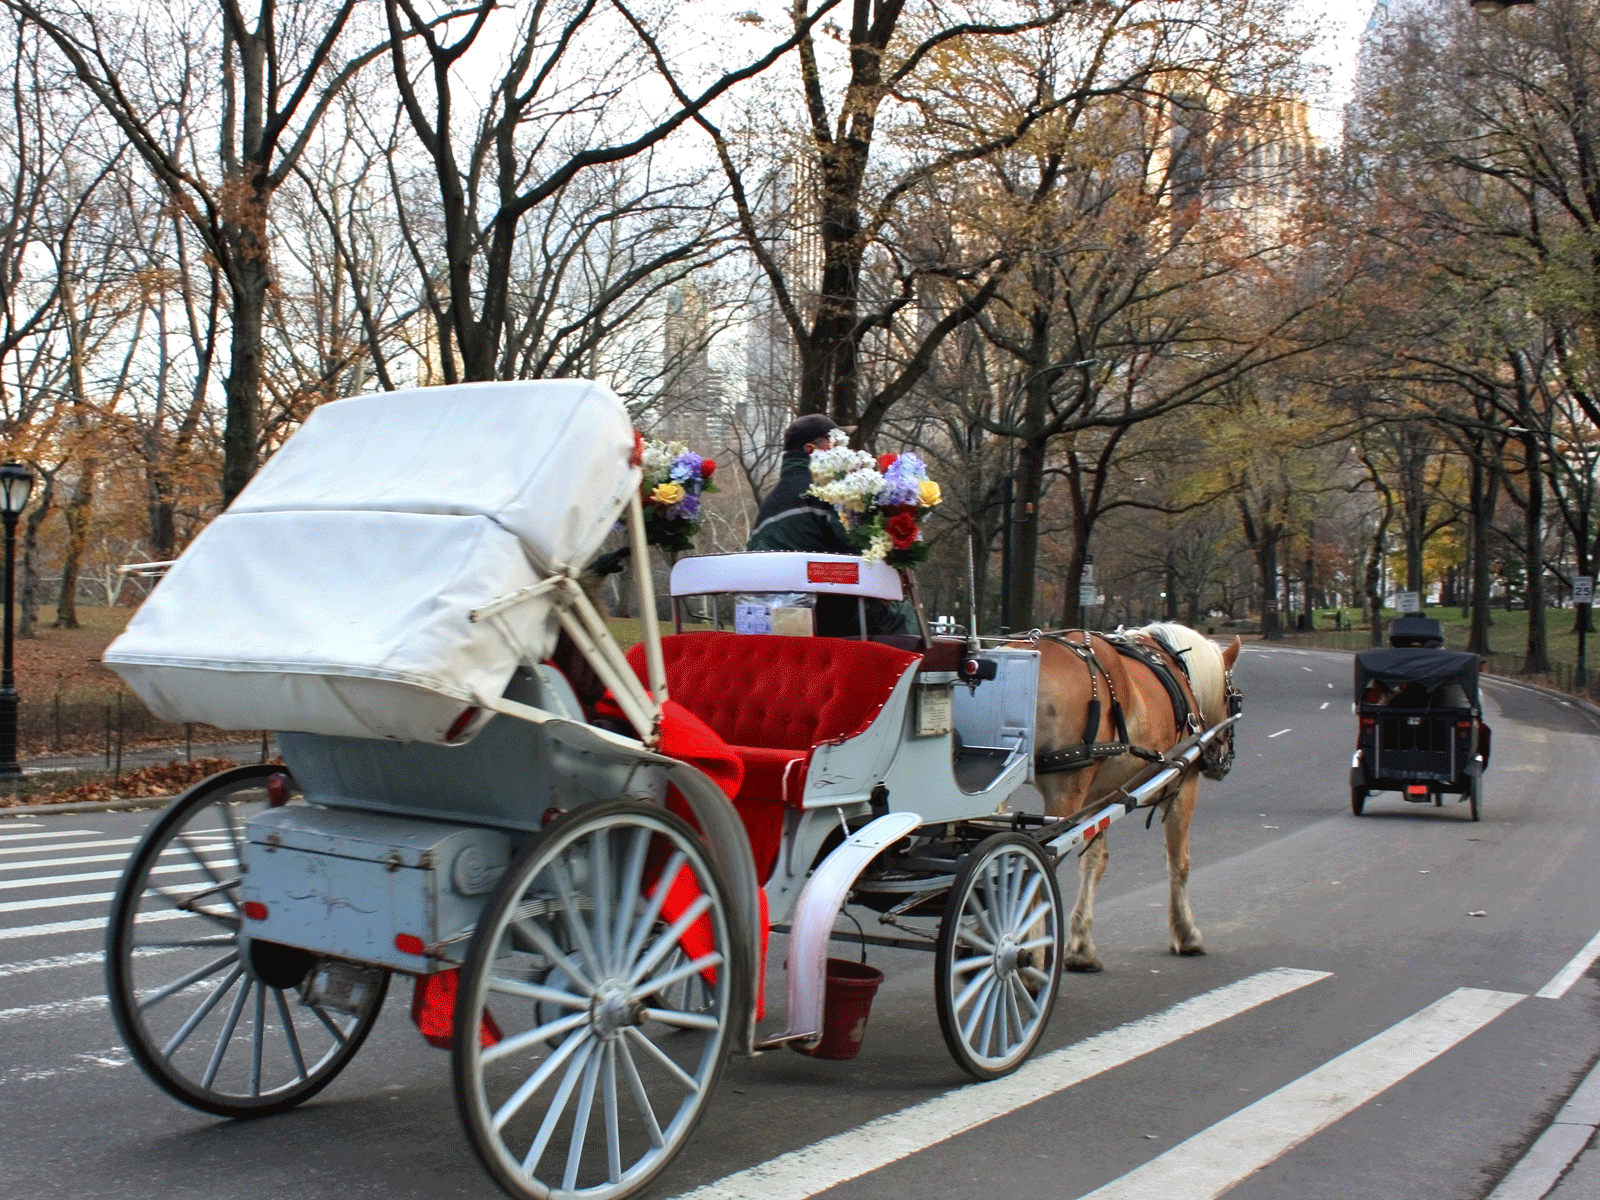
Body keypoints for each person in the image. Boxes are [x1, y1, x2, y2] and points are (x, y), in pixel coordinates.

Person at [747, 413, 913, 636]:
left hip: (774, 620)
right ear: (811, 450)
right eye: (835, 443)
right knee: (907, 615)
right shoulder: (828, 491)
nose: (842, 450)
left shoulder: (771, 501)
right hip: (830, 618)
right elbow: (859, 554)